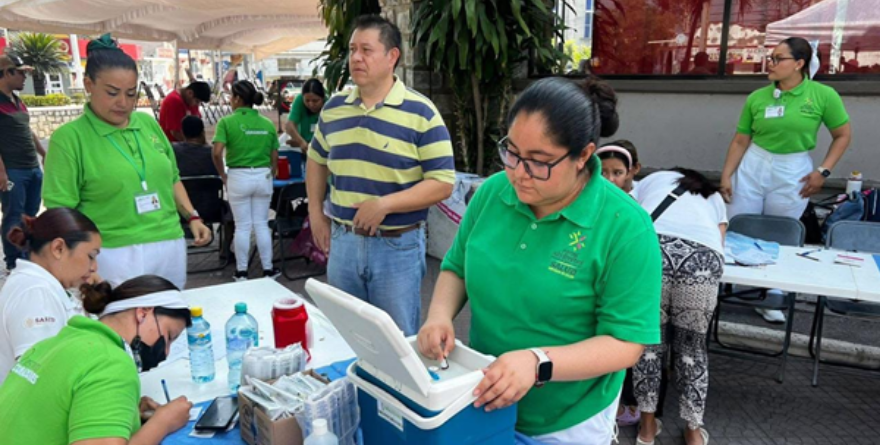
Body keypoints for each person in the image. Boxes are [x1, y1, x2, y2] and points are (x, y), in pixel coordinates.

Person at [417, 76, 662, 444]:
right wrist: (438, 316)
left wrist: (537, 362)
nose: (518, 172)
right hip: (482, 394)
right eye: (512, 152)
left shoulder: (624, 228)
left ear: (583, 155)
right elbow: (457, 267)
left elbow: (625, 343)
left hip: (565, 418)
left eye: (539, 162)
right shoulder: (494, 193)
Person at [306, 15, 455, 336]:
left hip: (396, 247)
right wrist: (315, 213)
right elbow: (316, 159)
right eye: (352, 50)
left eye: (366, 50)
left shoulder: (421, 113)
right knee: (346, 335)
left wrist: (385, 204)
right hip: (343, 242)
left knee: (397, 342)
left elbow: (442, 183)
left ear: (392, 57)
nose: (356, 57)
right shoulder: (333, 108)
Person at [43, 34, 211, 290]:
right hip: (111, 252)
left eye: (131, 94)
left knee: (169, 321)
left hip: (169, 243)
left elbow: (172, 178)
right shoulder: (69, 139)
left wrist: (193, 217)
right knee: (119, 324)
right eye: (112, 93)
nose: (123, 103)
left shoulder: (147, 124)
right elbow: (61, 210)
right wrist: (82, 263)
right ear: (89, 85)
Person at [720, 37, 851, 323]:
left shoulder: (822, 95)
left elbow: (843, 136)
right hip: (754, 163)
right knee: (739, 226)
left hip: (793, 168)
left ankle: (770, 296)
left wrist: (823, 172)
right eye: (771, 57)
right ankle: (733, 291)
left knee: (778, 233)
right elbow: (741, 139)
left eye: (779, 58)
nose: (771, 63)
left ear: (799, 64)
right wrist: (727, 175)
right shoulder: (758, 97)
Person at [0, 275, 193, 444]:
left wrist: (127, 412)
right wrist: (163, 422)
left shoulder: (59, 341)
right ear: (143, 312)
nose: (166, 352)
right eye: (168, 336)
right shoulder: (111, 363)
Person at [632, 168, 727, 445]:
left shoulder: (649, 181)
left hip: (653, 250)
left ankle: (647, 430)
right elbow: (720, 241)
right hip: (701, 258)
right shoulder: (714, 198)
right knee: (691, 349)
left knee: (648, 347)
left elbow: (631, 217)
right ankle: (693, 432)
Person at [0, 208, 101, 384]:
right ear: (58, 248)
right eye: (90, 256)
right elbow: (40, 376)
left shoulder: (42, 286)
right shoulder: (36, 293)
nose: (94, 267)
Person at [212, 80, 280, 281]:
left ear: (238, 98)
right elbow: (274, 154)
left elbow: (216, 152)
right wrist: (272, 171)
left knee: (242, 226)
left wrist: (223, 175)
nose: (230, 101)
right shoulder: (267, 124)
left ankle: (241, 272)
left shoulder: (226, 122)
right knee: (261, 223)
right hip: (263, 176)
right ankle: (268, 270)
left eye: (232, 97)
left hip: (238, 177)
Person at [0, 54, 46, 271]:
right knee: (13, 215)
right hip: (12, 170)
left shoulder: (18, 101)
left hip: (32, 167)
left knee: (30, 214)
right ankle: (13, 262)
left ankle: (27, 255)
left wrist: (43, 152)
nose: (25, 77)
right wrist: (2, 172)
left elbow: (27, 131)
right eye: (20, 73)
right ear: (7, 73)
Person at [285, 78, 326, 152]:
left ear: (323, 98)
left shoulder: (329, 103)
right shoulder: (299, 100)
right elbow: (289, 125)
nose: (311, 104)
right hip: (304, 144)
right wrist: (301, 142)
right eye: (307, 100)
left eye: (315, 101)